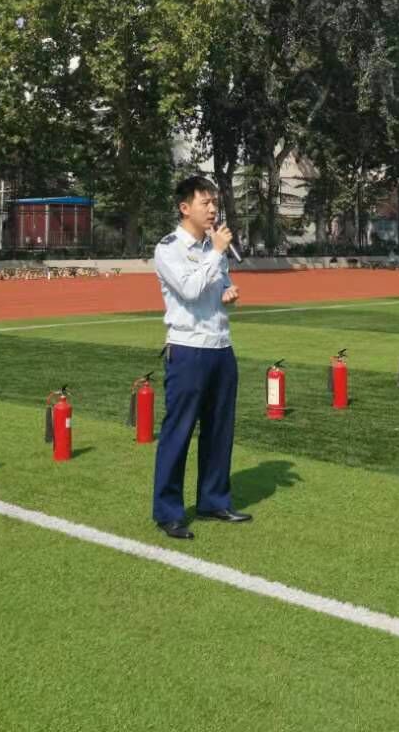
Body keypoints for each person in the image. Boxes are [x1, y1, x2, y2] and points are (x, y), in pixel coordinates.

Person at [151, 175, 246, 540]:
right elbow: (189, 290)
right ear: (184, 207)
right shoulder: (169, 248)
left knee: (220, 429)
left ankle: (213, 500)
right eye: (205, 202)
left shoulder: (212, 247)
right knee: (179, 431)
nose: (212, 209)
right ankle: (168, 512)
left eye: (214, 203)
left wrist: (227, 292)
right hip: (188, 348)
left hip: (221, 346)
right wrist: (217, 252)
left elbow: (216, 286)